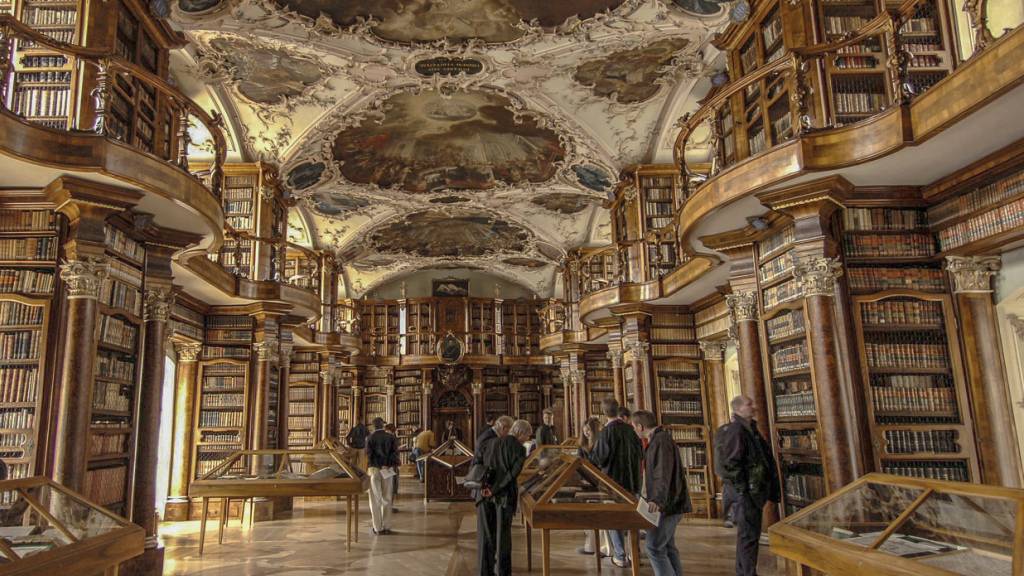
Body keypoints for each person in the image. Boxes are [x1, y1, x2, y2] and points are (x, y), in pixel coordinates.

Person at [718, 395, 780, 576]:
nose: (754, 406)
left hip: (751, 492)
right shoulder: (737, 430)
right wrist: (743, 490)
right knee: (748, 537)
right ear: (738, 409)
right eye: (749, 404)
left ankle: (744, 572)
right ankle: (747, 573)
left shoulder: (748, 429)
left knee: (749, 536)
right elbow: (731, 464)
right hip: (746, 494)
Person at [633, 410, 690, 576]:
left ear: (640, 426)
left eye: (634, 427)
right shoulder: (658, 439)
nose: (634, 431)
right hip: (670, 502)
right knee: (667, 546)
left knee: (654, 547)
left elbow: (662, 473)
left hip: (667, 504)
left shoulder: (660, 441)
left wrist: (657, 500)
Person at [589, 398, 644, 568]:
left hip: (613, 483)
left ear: (604, 413)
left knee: (614, 519)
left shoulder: (606, 433)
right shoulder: (631, 430)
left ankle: (620, 555)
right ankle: (635, 554)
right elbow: (641, 453)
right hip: (634, 481)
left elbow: (599, 458)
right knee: (632, 518)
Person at [479, 419, 531, 576]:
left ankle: (487, 572)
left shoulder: (493, 442)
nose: (528, 439)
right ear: (521, 433)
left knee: (489, 535)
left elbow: (485, 466)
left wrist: (488, 488)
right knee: (504, 537)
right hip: (505, 496)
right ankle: (503, 572)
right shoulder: (519, 449)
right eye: (528, 436)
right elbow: (511, 475)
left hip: (487, 495)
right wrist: (496, 489)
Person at [475, 416, 513, 576]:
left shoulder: (489, 436)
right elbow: (484, 464)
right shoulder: (489, 438)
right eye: (509, 431)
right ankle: (485, 572)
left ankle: (488, 570)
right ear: (503, 428)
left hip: (487, 490)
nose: (508, 435)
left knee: (489, 534)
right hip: (484, 490)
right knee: (485, 536)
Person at [576, 417, 610, 557]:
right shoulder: (582, 446)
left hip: (600, 482)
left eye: (589, 431)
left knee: (601, 516)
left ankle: (603, 547)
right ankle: (591, 545)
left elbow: (601, 463)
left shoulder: (600, 444)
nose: (586, 434)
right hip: (587, 482)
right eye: (584, 431)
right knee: (588, 515)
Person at [365, 417, 400, 535]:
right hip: (387, 469)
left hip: (374, 469)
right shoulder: (391, 437)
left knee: (375, 499)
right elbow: (395, 454)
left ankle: (377, 528)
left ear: (373, 426)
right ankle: (386, 526)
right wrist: (387, 465)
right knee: (387, 498)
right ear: (383, 425)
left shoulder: (369, 438)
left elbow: (369, 456)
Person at [385, 423, 400, 512]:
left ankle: (387, 506)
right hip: (392, 465)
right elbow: (394, 452)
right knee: (392, 486)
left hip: (384, 465)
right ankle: (389, 506)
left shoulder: (383, 437)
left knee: (387, 486)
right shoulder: (392, 438)